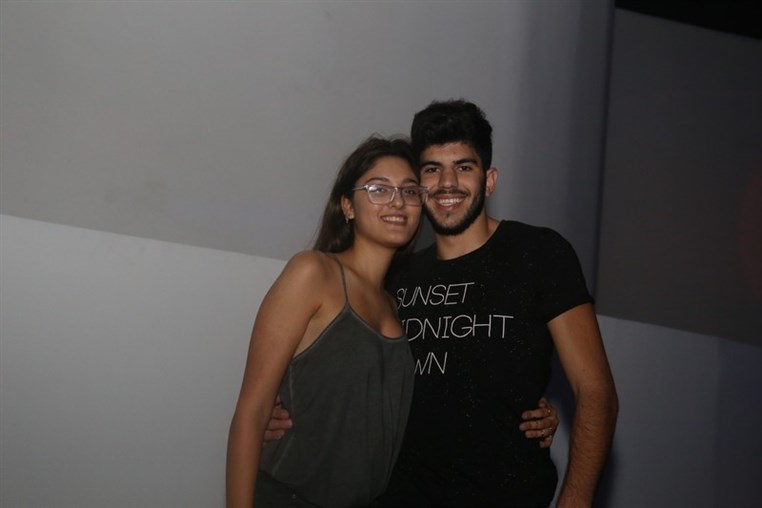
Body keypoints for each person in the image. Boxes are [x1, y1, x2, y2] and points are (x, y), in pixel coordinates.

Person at [377, 100, 619, 507]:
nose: (447, 183)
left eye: (463, 167)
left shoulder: (538, 254)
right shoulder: (398, 276)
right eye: (432, 169)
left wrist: (575, 501)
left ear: (489, 181)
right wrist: (285, 411)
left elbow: (596, 392)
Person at [226, 136, 427, 507]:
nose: (398, 201)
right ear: (348, 206)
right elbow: (252, 412)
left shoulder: (397, 304)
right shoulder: (313, 273)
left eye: (409, 191)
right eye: (379, 189)